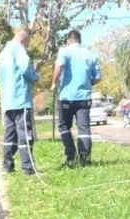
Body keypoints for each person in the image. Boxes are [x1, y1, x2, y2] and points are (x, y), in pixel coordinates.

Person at [50, 29, 102, 168]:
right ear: (80, 40)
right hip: (84, 97)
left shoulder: (65, 51)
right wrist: (87, 83)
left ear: (68, 40)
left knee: (64, 126)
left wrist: (54, 83)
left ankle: (71, 154)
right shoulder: (91, 54)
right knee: (84, 128)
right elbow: (98, 77)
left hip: (67, 96)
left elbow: (59, 66)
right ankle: (84, 159)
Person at [0, 28, 40, 175]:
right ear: (23, 39)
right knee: (25, 134)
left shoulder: (3, 53)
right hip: (20, 98)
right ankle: (27, 167)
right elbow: (25, 67)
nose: (27, 46)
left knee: (9, 134)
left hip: (7, 100)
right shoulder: (18, 49)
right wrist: (35, 76)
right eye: (28, 43)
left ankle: (7, 165)